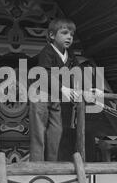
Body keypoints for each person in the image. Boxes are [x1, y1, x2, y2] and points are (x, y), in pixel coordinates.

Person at [29, 18, 79, 161]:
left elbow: (76, 73)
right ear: (52, 36)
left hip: (55, 95)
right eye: (64, 33)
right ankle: (36, 164)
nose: (69, 37)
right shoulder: (47, 51)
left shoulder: (71, 55)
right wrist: (64, 89)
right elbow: (45, 74)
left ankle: (52, 163)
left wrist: (78, 89)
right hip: (39, 94)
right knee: (38, 131)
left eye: (71, 34)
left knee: (56, 131)